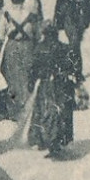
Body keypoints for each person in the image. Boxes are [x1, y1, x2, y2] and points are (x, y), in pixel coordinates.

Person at [26, 25, 81, 158]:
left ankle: (46, 141)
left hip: (46, 85)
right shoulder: (64, 48)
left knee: (45, 112)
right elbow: (72, 66)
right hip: (62, 84)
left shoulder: (39, 49)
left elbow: (33, 68)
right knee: (60, 113)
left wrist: (31, 83)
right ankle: (57, 142)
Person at [0, 0, 44, 119]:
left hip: (12, 47)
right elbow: (38, 35)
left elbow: (0, 35)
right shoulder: (31, 16)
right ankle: (28, 109)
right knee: (27, 77)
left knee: (11, 78)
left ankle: (13, 111)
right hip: (28, 47)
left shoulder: (6, 15)